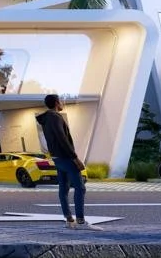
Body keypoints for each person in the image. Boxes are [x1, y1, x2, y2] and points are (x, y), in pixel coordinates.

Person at [37, 94, 101, 231]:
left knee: (64, 188)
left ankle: (69, 220)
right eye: (60, 101)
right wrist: (75, 158)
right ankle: (81, 222)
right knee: (80, 188)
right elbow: (62, 138)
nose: (62, 103)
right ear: (56, 103)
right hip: (65, 157)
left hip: (57, 158)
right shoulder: (55, 117)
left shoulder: (46, 119)